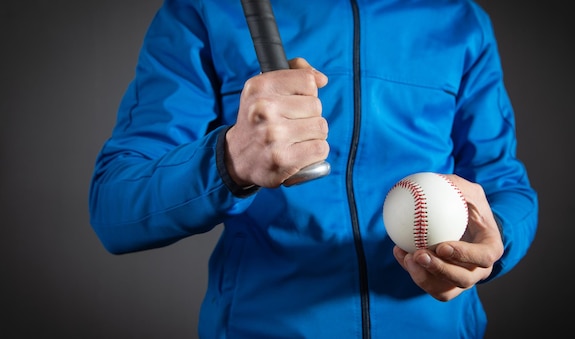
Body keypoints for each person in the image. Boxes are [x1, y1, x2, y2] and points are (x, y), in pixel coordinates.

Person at [88, 0, 538, 338]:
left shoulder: (459, 19)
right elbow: (115, 208)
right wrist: (229, 160)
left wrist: (491, 237)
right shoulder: (206, 10)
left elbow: (503, 182)